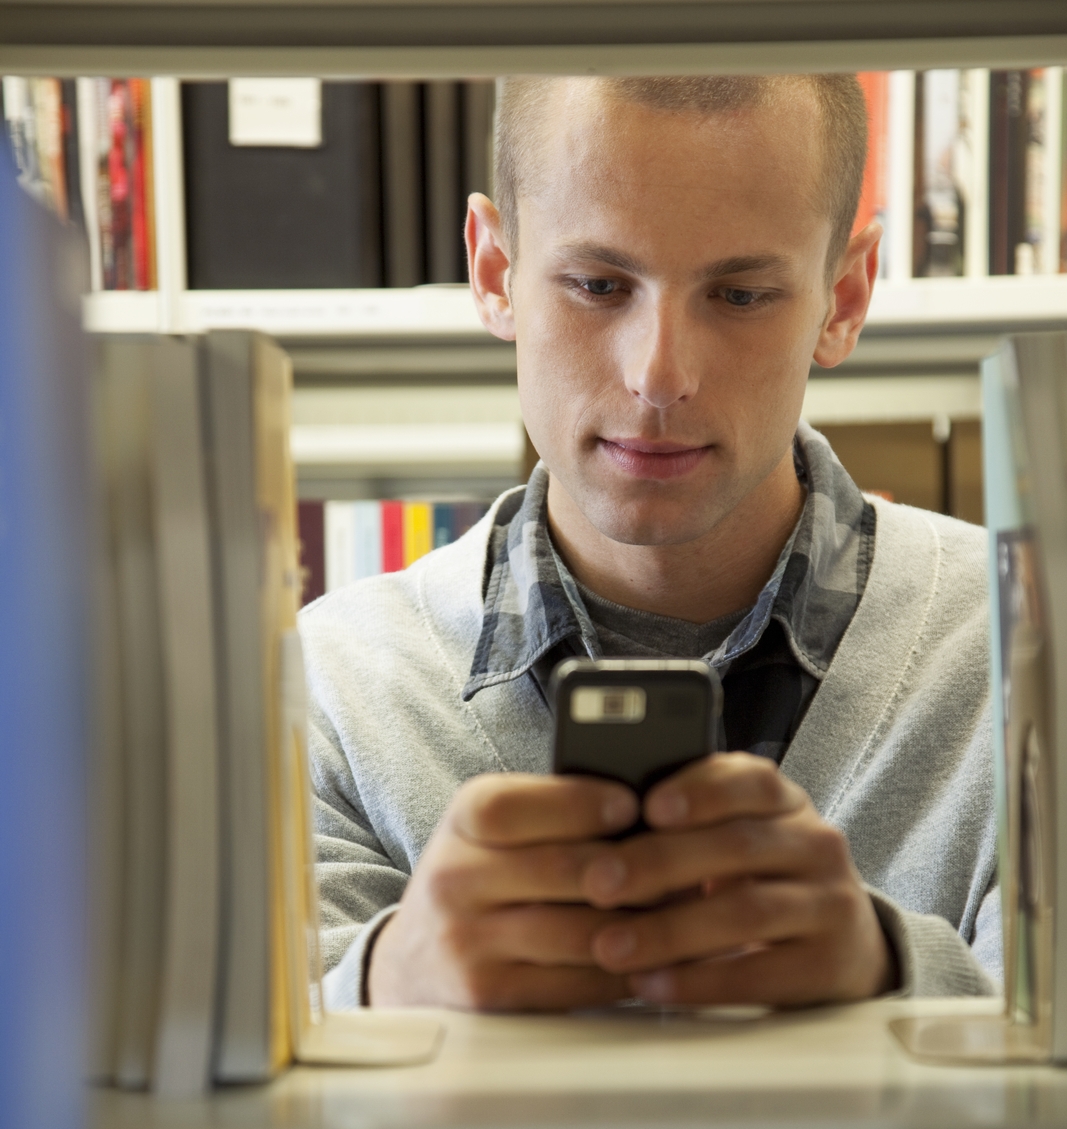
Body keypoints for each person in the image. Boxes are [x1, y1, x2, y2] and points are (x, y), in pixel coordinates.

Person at [301, 74, 998, 1013]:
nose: (658, 373)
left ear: (844, 296)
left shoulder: (1029, 653)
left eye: (741, 294)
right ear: (493, 271)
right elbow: (212, 1108)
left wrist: (892, 976)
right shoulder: (330, 690)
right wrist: (384, 985)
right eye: (596, 285)